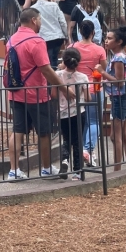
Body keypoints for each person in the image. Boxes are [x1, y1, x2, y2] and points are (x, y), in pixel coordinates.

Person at [6, 8, 62, 180]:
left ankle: (14, 170)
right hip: (36, 94)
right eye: (39, 19)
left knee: (17, 130)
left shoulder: (11, 40)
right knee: (43, 131)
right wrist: (63, 87)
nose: (41, 22)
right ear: (33, 20)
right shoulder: (37, 41)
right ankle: (46, 168)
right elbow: (45, 69)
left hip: (15, 92)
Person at [98, 25, 126, 171]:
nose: (106, 41)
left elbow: (119, 82)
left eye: (110, 38)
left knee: (116, 136)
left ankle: (117, 169)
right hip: (122, 97)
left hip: (120, 98)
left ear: (118, 42)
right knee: (123, 134)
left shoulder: (118, 58)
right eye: (106, 38)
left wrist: (102, 72)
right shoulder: (123, 56)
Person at [72, 19, 107, 164]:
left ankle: (85, 150)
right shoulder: (99, 50)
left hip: (77, 89)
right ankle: (88, 149)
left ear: (80, 31)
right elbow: (102, 69)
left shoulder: (72, 47)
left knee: (84, 121)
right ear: (93, 33)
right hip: (95, 87)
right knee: (94, 122)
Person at [55, 47, 89, 180]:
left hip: (63, 113)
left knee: (66, 139)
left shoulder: (57, 75)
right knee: (77, 141)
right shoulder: (83, 77)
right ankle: (77, 171)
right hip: (79, 112)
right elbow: (88, 98)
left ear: (64, 60)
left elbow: (53, 94)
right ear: (78, 62)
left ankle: (64, 161)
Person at [34, 0, 68, 68]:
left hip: (42, 38)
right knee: (54, 58)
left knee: (46, 60)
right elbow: (62, 22)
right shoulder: (54, 5)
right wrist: (66, 36)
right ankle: (54, 76)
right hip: (57, 36)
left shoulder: (33, 9)